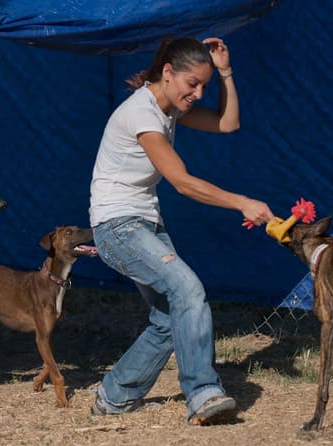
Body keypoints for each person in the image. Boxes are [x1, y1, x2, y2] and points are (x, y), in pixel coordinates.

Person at [88, 36, 275, 425]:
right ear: (168, 73)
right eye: (193, 83)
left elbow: (228, 123)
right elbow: (183, 182)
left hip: (143, 223)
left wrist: (225, 72)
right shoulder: (142, 113)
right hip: (117, 226)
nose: (199, 93)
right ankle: (203, 393)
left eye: (204, 85)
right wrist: (242, 202)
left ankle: (115, 395)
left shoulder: (168, 109)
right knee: (187, 290)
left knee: (168, 317)